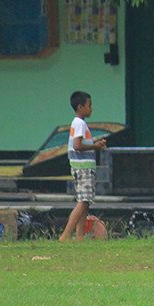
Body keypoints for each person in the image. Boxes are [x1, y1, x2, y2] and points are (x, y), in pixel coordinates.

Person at [58, 91, 107, 242]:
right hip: (83, 167)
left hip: (80, 166)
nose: (91, 109)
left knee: (85, 203)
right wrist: (95, 146)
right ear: (80, 107)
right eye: (89, 106)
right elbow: (77, 145)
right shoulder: (80, 123)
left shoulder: (76, 123)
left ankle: (80, 236)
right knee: (83, 202)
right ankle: (65, 235)